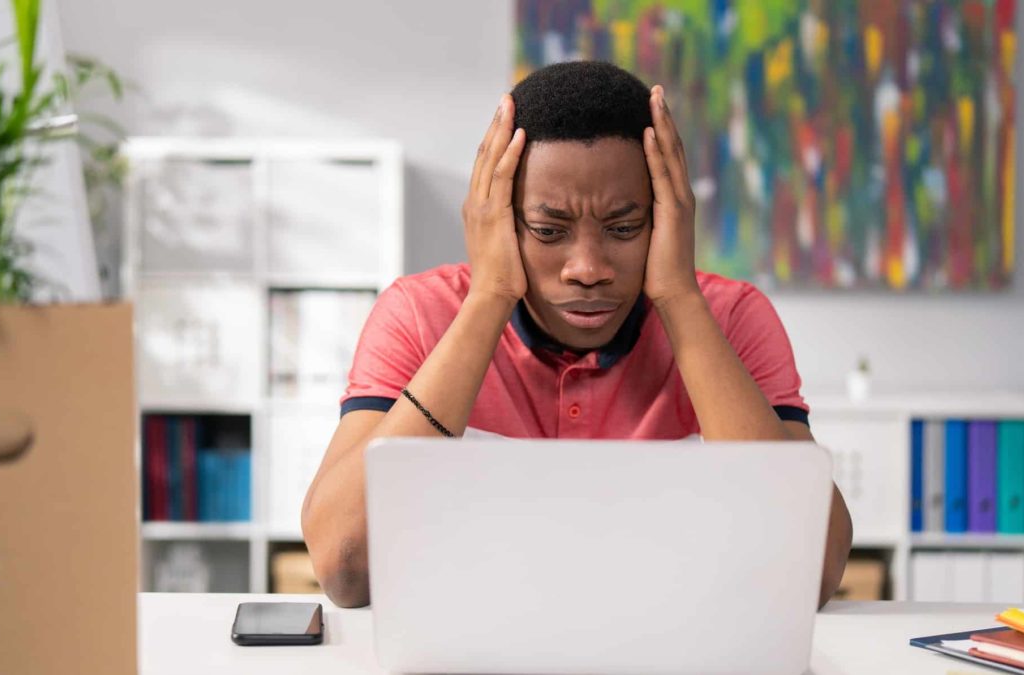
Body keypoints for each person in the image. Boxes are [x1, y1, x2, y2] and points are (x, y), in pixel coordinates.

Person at [301, 61, 852, 609]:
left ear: (667, 219)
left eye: (624, 228)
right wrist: (489, 297)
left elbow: (814, 574)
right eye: (548, 231)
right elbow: (345, 567)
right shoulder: (418, 314)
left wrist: (679, 298)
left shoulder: (731, 319)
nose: (587, 268)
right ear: (497, 221)